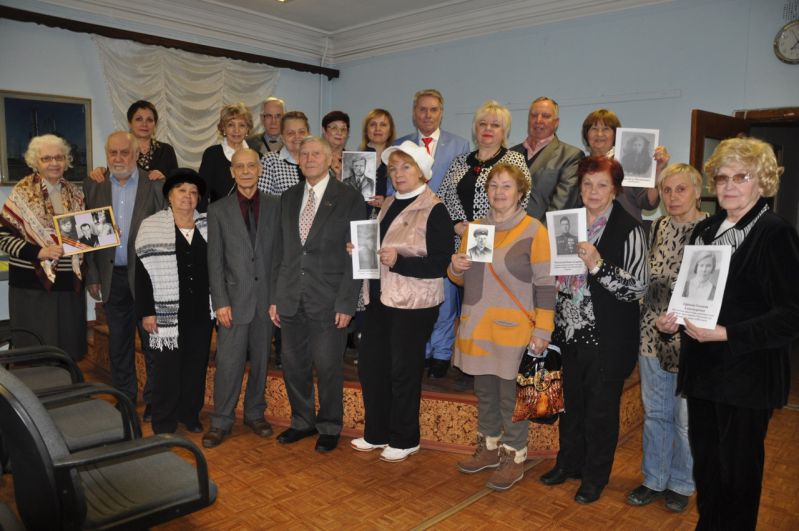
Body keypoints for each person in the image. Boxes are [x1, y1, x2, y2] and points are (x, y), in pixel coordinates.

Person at [667, 138, 799, 530]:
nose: (729, 186)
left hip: (748, 376)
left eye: (741, 177)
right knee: (707, 466)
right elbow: (693, 295)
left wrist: (728, 334)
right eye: (722, 177)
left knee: (738, 473)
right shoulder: (705, 229)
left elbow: (792, 315)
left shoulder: (775, 233)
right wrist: (673, 319)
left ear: (762, 181)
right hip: (704, 372)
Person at [539, 156, 648, 504]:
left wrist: (598, 265)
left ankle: (594, 477)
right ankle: (568, 463)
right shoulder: (566, 222)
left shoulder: (630, 228)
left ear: (615, 189)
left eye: (602, 185)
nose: (594, 191)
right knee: (570, 405)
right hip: (566, 331)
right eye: (587, 184)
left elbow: (637, 288)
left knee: (600, 412)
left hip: (607, 336)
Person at [450, 163, 556, 490]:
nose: (499, 191)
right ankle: (488, 448)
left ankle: (514, 456)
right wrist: (455, 267)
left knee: (511, 399)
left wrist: (543, 330)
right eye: (494, 185)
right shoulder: (476, 229)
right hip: (477, 326)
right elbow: (465, 279)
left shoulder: (533, 230)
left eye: (507, 186)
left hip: (514, 330)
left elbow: (546, 285)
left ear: (520, 192)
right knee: (484, 393)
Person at [350, 140, 453, 462]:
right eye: (393, 168)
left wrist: (399, 261)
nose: (398, 173)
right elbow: (380, 250)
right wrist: (360, 251)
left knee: (404, 371)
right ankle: (376, 433)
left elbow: (441, 264)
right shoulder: (387, 204)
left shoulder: (435, 209)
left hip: (413, 304)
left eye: (406, 166)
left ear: (422, 172)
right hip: (379, 298)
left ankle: (406, 438)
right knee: (372, 368)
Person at [269, 136, 365, 453]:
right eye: (304, 154)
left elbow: (356, 255)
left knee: (327, 367)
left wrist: (347, 302)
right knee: (293, 365)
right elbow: (280, 250)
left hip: (329, 299)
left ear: (330, 160)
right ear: (298, 160)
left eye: (316, 154)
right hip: (290, 297)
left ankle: (329, 425)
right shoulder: (288, 197)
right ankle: (302, 421)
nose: (309, 159)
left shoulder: (349, 198)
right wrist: (275, 297)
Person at [626, 163, 706, 513]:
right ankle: (654, 479)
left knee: (685, 419)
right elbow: (642, 277)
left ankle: (682, 483)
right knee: (656, 413)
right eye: (667, 190)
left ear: (697, 192)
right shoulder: (656, 226)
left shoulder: (712, 231)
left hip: (691, 338)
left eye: (681, 189)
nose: (673, 197)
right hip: (651, 336)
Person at [437, 100, 532, 377]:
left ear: (505, 131)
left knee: (492, 304)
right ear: (474, 128)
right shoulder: (460, 161)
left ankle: (494, 366)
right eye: (483, 124)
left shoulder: (514, 160)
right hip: (463, 241)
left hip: (500, 244)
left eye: (495, 125)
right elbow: (442, 198)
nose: (488, 129)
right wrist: (455, 226)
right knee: (469, 303)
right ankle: (471, 362)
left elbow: (523, 199)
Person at [203, 148, 281, 447]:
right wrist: (220, 302)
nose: (246, 171)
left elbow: (280, 257)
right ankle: (221, 420)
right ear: (232, 172)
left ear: (259, 169)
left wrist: (276, 298)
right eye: (240, 167)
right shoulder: (218, 210)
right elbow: (215, 261)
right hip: (233, 302)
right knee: (228, 363)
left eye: (251, 166)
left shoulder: (276, 205)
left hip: (266, 301)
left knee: (261, 361)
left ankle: (254, 413)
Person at [83, 131, 165, 419]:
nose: (118, 158)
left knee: (153, 342)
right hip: (112, 277)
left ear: (136, 154)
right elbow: (88, 237)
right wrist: (93, 274)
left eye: (124, 152)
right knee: (119, 343)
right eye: (112, 152)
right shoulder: (94, 185)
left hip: (147, 278)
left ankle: (155, 399)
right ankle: (125, 397)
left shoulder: (155, 184)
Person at [394, 89, 470, 379]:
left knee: (445, 290)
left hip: (445, 226)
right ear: (414, 112)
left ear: (441, 112)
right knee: (417, 287)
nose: (428, 115)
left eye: (434, 109)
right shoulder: (400, 144)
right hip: (412, 228)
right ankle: (422, 349)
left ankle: (441, 352)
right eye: (422, 109)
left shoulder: (460, 145)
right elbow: (393, 188)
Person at [134, 169, 211, 434]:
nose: (187, 196)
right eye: (181, 190)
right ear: (169, 195)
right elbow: (142, 273)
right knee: (166, 369)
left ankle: (189, 414)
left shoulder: (208, 225)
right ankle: (164, 420)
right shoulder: (151, 226)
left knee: (195, 365)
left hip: (201, 311)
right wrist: (147, 312)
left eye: (193, 192)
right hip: (165, 313)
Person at [0, 134, 86, 360]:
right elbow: (3, 237)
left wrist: (105, 233)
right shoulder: (22, 192)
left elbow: (82, 236)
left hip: (68, 285)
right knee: (36, 353)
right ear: (35, 162)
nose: (54, 163)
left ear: (66, 160)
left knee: (68, 350)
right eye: (46, 158)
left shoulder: (76, 193)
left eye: (59, 157)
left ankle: (67, 383)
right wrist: (39, 252)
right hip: (32, 287)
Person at [581, 108, 669, 221]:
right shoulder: (579, 167)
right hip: (589, 229)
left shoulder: (629, 162)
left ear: (615, 135)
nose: (599, 134)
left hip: (627, 228)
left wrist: (657, 172)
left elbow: (648, 202)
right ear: (586, 134)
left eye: (606, 129)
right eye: (594, 129)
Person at [510, 97, 584, 221]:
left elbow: (561, 206)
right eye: (534, 115)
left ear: (556, 122)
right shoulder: (510, 154)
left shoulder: (571, 156)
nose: (538, 120)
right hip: (506, 230)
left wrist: (537, 232)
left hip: (542, 231)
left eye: (545, 116)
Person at [89, 100, 178, 183]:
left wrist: (164, 180)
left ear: (155, 124)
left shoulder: (166, 150)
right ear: (130, 123)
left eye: (149, 120)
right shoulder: (119, 148)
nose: (144, 124)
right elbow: (114, 181)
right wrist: (102, 172)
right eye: (139, 119)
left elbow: (177, 184)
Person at [199, 102, 253, 207]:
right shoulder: (212, 154)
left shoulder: (257, 156)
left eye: (242, 125)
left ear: (248, 129)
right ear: (223, 128)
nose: (236, 130)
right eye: (231, 125)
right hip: (219, 214)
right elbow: (203, 193)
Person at [258, 111, 310, 196]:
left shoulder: (318, 160)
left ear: (308, 135)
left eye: (301, 132)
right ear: (282, 137)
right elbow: (262, 199)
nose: (297, 136)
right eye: (290, 133)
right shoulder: (270, 161)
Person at [359, 108, 396, 212]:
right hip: (360, 216)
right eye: (373, 124)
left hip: (387, 216)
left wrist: (387, 203)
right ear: (366, 131)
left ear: (390, 131)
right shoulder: (355, 158)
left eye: (383, 125)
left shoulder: (397, 159)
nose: (377, 129)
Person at [322, 110, 350, 180]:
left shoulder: (351, 161)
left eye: (343, 129)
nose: (339, 133)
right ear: (324, 130)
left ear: (347, 133)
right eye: (334, 128)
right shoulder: (316, 158)